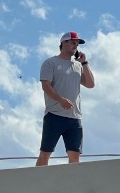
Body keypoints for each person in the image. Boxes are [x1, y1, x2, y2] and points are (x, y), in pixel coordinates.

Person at [36, 31, 95, 166]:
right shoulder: (50, 62)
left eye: (77, 43)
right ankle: (37, 182)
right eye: (73, 42)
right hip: (54, 115)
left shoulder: (78, 66)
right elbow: (46, 86)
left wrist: (84, 63)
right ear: (64, 43)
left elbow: (90, 84)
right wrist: (61, 100)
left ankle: (73, 185)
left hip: (75, 118)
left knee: (74, 156)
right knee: (45, 153)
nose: (76, 45)